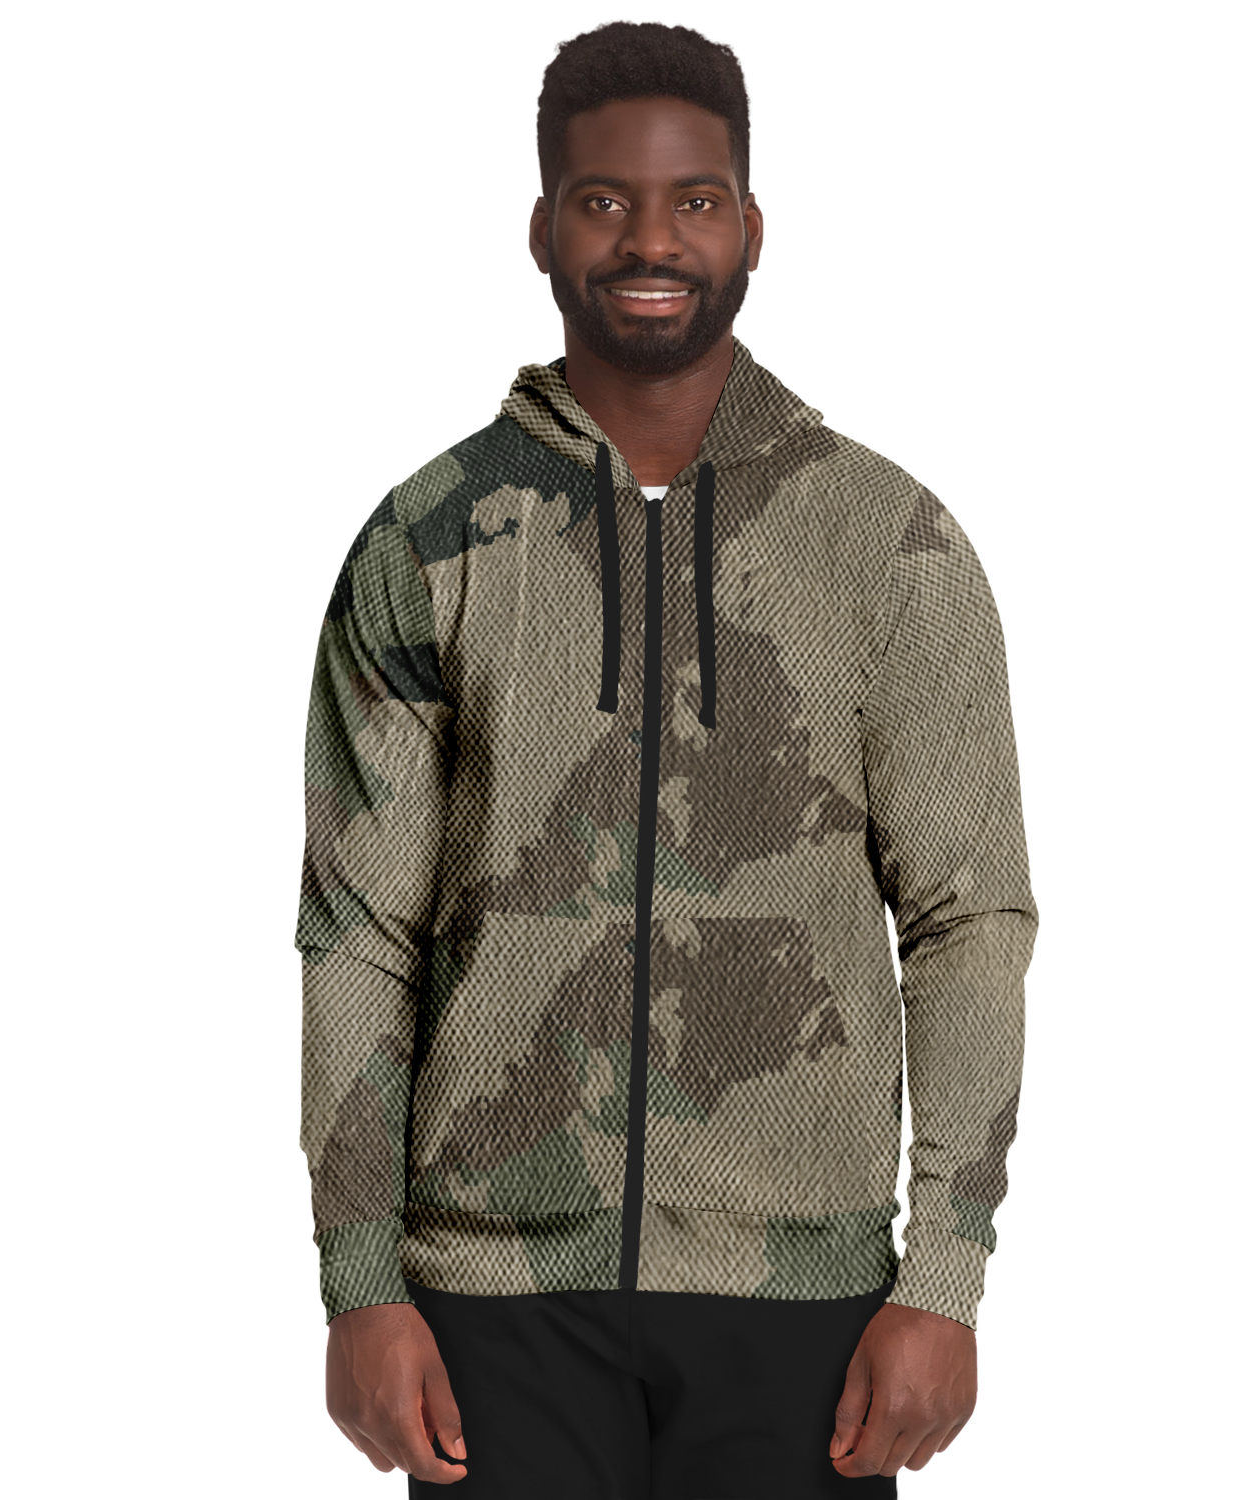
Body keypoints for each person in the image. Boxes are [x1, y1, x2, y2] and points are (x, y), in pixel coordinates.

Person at [299, 19, 1036, 1498]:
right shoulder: (426, 537)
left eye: (694, 199)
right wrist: (359, 1281)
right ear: (541, 230)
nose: (651, 239)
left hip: (808, 1292)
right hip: (489, 1296)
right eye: (605, 199)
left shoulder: (890, 541)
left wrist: (945, 1281)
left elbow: (969, 923)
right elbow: (356, 930)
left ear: (753, 228)